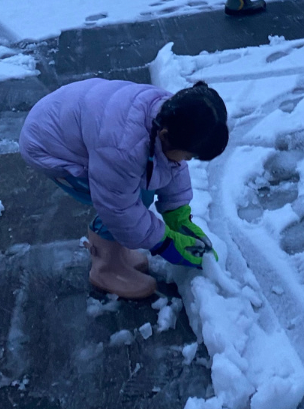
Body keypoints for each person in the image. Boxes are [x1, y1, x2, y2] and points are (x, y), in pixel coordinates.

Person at [18, 78, 229, 300]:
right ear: (166, 137)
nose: (186, 160)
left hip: (65, 118)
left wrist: (178, 214)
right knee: (129, 198)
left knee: (135, 186)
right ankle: (106, 267)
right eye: (189, 155)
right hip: (49, 146)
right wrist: (166, 243)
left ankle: (114, 248)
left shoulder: (173, 114)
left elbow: (170, 164)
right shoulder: (123, 148)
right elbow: (118, 208)